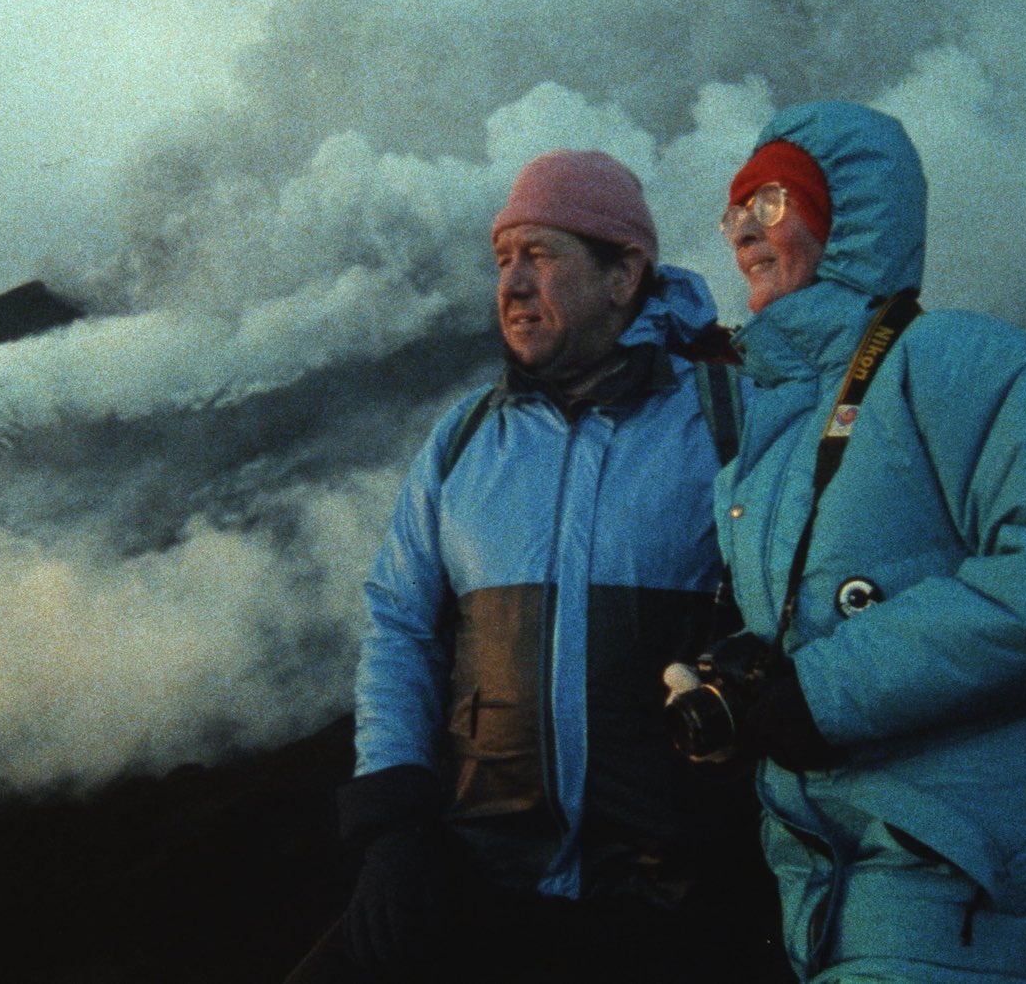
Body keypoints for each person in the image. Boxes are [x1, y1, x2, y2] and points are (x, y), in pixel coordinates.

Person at [668, 101, 1026, 982]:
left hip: (954, 885)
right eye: (733, 214)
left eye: (771, 204)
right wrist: (755, 687)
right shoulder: (775, 438)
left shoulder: (946, 360)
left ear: (850, 219)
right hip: (831, 888)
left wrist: (825, 691)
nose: (744, 235)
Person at [285, 150, 775, 983]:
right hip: (481, 880)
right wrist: (394, 828)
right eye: (502, 260)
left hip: (677, 907)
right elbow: (400, 626)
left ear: (624, 275)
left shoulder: (731, 422)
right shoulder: (464, 439)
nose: (510, 284)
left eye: (540, 256)